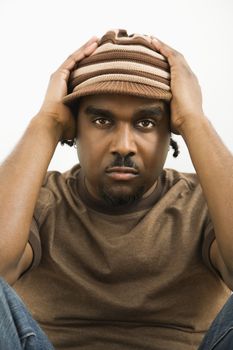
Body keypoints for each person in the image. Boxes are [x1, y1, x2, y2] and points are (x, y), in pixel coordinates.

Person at [0, 29, 233, 350]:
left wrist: (196, 119)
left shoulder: (207, 200)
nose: (123, 146)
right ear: (73, 129)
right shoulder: (36, 199)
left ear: (172, 131)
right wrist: (47, 120)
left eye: (146, 123)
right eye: (101, 121)